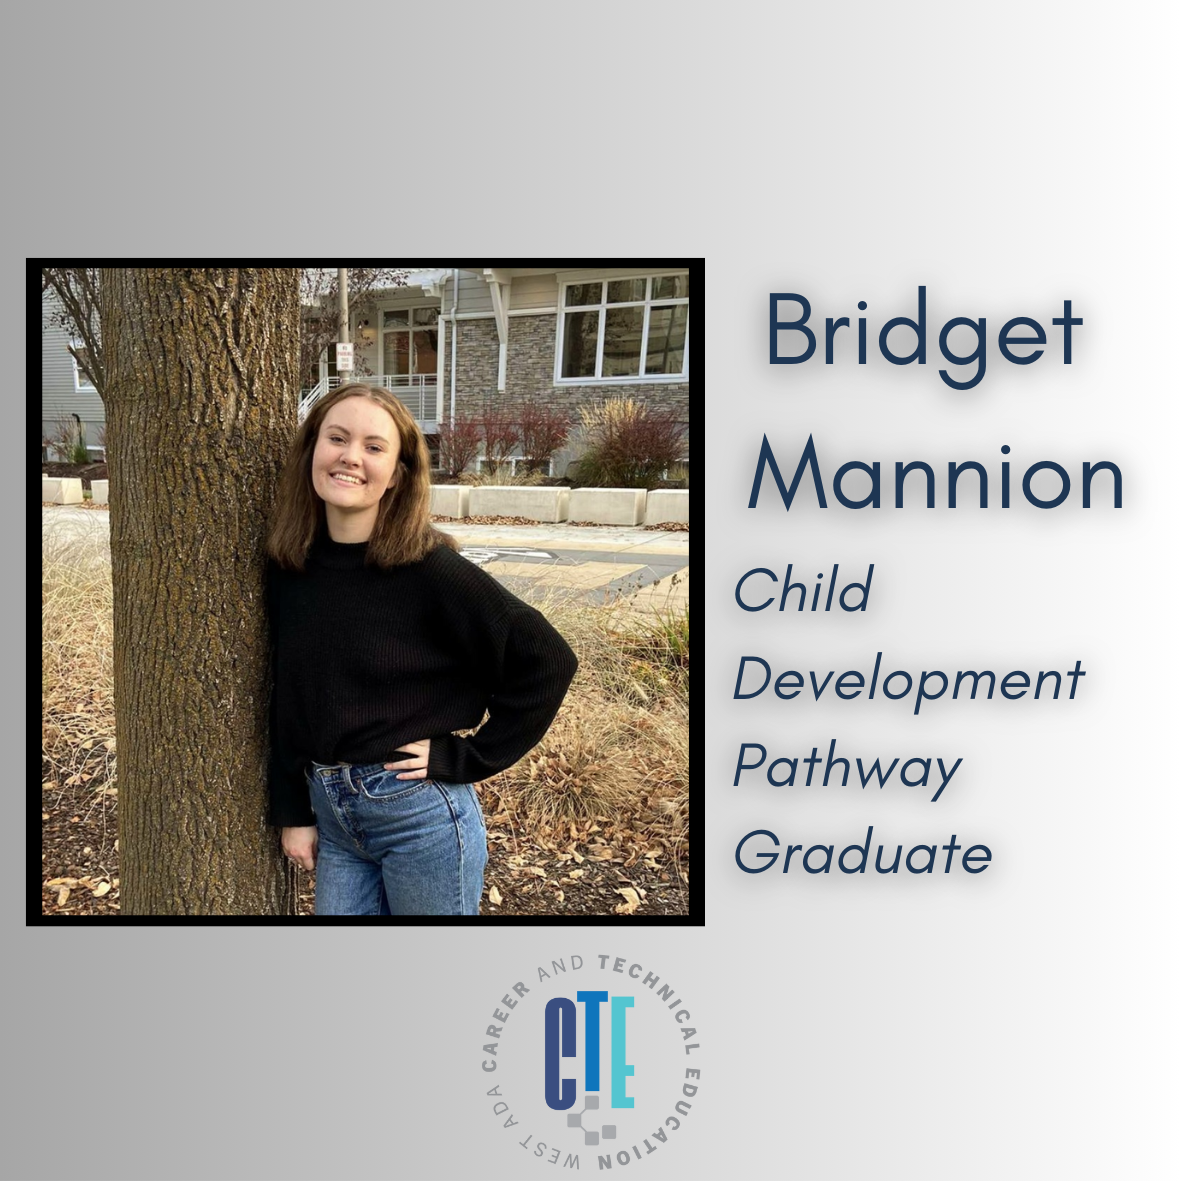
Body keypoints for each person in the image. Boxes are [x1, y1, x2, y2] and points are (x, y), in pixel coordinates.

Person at [265, 382, 578, 915]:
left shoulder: (430, 569)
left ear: (399, 473)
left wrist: (468, 756)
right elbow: (291, 695)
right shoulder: (289, 566)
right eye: (336, 438)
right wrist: (294, 810)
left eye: (374, 446)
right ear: (311, 449)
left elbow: (547, 659)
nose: (350, 457)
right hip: (334, 819)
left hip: (418, 817)